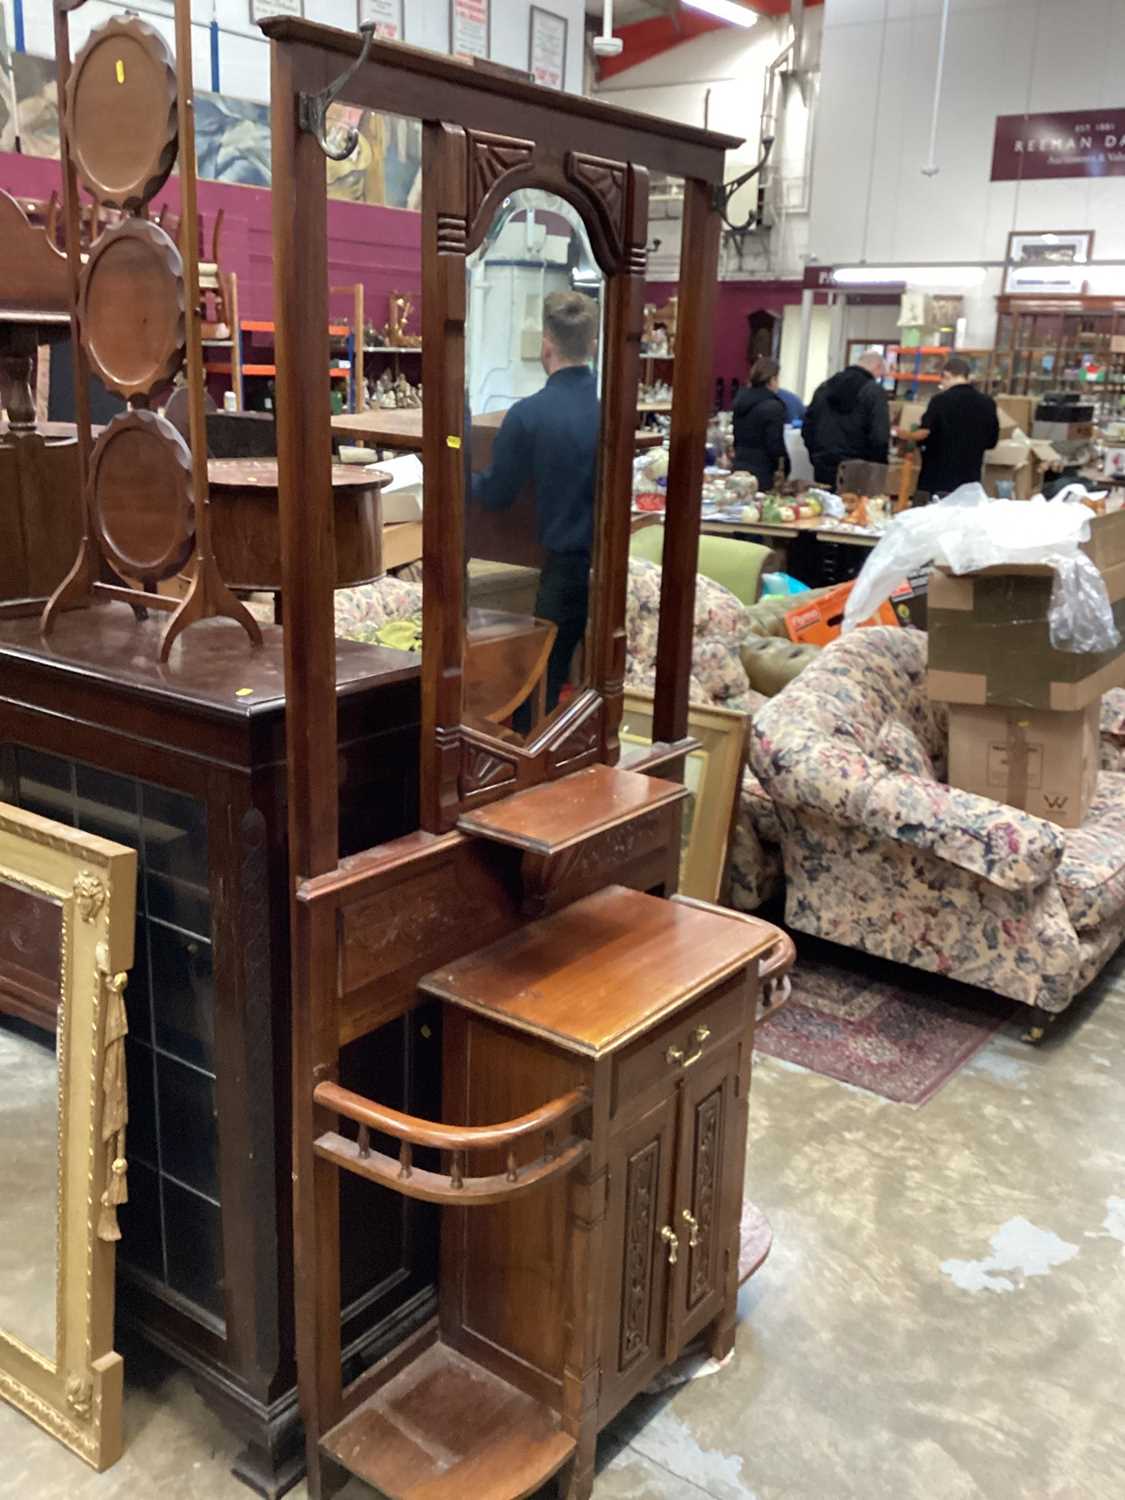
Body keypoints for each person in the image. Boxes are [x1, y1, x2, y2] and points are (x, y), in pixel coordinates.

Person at [471, 289, 599, 715]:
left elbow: (496, 494)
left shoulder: (528, 415)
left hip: (563, 571)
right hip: (614, 571)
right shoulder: (614, 411)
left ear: (546, 344)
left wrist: (452, 477)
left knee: (535, 691)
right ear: (593, 345)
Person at [900, 355, 999, 498]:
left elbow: (925, 434)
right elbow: (992, 441)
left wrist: (908, 436)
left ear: (947, 375)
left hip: (937, 479)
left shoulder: (939, 401)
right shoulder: (987, 403)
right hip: (970, 482)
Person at [801, 349, 891, 488]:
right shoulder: (874, 392)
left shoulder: (825, 387)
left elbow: (807, 426)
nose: (879, 377)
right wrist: (878, 468)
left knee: (822, 506)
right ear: (877, 367)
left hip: (823, 464)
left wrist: (816, 455)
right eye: (881, 373)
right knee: (854, 508)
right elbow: (880, 436)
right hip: (858, 468)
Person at [732, 357, 791, 492]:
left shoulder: (740, 402)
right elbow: (775, 445)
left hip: (739, 467)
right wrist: (785, 467)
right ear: (771, 380)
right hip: (762, 472)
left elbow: (736, 438)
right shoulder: (773, 407)